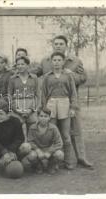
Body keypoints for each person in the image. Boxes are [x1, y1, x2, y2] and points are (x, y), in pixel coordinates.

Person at [39, 35, 93, 169]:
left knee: (74, 131)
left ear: (66, 46)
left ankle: (81, 157)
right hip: (52, 103)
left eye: (61, 44)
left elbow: (83, 78)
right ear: (52, 46)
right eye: (56, 43)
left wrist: (70, 75)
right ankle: (57, 160)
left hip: (69, 102)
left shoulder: (75, 61)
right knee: (54, 131)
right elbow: (38, 73)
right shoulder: (46, 62)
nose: (58, 46)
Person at [41, 51, 78, 170]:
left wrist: (72, 107)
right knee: (52, 134)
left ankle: (68, 161)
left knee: (66, 135)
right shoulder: (47, 76)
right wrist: (44, 108)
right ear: (51, 62)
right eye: (54, 60)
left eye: (59, 60)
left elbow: (73, 93)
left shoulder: (68, 75)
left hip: (64, 103)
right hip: (51, 104)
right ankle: (53, 162)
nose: (56, 63)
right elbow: (43, 94)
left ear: (63, 62)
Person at [0, 100, 25, 174]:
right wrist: (4, 151)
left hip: (12, 148)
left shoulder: (16, 121)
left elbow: (20, 138)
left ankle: (16, 162)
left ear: (9, 114)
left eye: (1, 114)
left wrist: (11, 150)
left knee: (26, 147)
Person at [8, 56, 40, 140]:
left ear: (27, 65)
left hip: (31, 107)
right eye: (18, 64)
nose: (20, 66)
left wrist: (32, 109)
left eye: (22, 64)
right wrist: (16, 109)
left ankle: (32, 150)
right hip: (17, 108)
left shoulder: (34, 78)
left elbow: (37, 95)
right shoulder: (13, 79)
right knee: (17, 131)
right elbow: (9, 95)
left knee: (33, 130)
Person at [24, 108, 64, 174]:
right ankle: (38, 165)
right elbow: (30, 141)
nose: (43, 118)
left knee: (59, 154)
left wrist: (50, 151)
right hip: (38, 149)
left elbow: (59, 143)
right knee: (31, 156)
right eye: (41, 116)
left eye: (45, 116)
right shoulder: (32, 127)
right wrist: (37, 150)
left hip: (49, 149)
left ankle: (51, 165)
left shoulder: (53, 128)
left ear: (49, 118)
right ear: (38, 117)